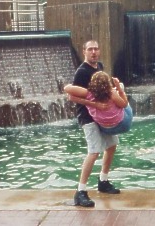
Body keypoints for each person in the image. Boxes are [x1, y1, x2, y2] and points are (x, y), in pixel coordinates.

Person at [67, 40, 120, 207]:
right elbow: (72, 97)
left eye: (96, 49)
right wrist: (96, 105)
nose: (94, 52)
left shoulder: (100, 67)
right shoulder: (81, 72)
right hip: (88, 117)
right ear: (84, 51)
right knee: (94, 151)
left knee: (111, 145)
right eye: (90, 49)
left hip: (103, 116)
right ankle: (80, 192)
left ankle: (103, 181)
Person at [64, 71, 132, 135]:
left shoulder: (88, 94)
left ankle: (118, 90)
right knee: (126, 105)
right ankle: (119, 89)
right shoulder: (111, 93)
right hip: (123, 126)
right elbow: (124, 105)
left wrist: (92, 103)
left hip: (105, 130)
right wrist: (119, 88)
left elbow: (66, 88)